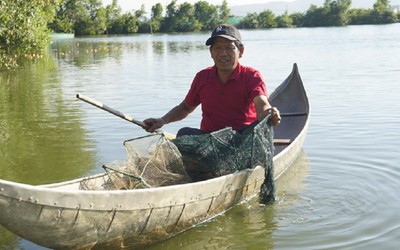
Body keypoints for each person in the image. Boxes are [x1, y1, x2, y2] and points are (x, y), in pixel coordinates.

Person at [143, 24, 281, 136]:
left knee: (256, 131)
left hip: (242, 137)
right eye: (217, 48)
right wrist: (162, 120)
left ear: (241, 51)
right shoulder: (202, 77)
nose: (223, 53)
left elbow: (261, 104)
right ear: (211, 52)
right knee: (184, 134)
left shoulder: (251, 76)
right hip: (209, 139)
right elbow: (185, 107)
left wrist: (269, 113)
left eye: (229, 48)